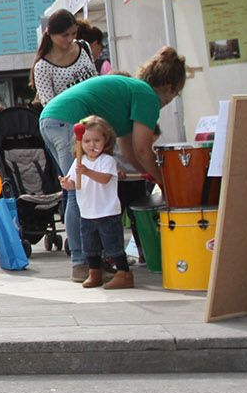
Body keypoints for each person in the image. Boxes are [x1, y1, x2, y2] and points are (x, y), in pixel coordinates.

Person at [40, 46, 187, 280]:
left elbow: (130, 153)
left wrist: (147, 174)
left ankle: (90, 262)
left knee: (75, 189)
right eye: (175, 95)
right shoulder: (147, 96)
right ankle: (82, 263)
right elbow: (143, 150)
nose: (170, 101)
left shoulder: (133, 92)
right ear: (170, 88)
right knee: (79, 189)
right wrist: (165, 182)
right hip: (68, 120)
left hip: (52, 118)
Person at [59, 116, 133, 291]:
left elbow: (105, 179)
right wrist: (66, 183)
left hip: (107, 212)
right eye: (87, 141)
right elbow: (72, 183)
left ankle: (124, 273)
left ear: (106, 141)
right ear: (80, 142)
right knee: (89, 246)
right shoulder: (79, 162)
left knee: (113, 246)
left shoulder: (107, 161)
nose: (92, 145)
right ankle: (94, 272)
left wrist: (87, 172)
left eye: (97, 140)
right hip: (87, 212)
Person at [32, 10, 101, 106]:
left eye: (74, 33)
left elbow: (95, 78)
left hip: (95, 109)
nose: (70, 39)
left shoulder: (83, 46)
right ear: (51, 34)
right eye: (65, 35)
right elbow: (49, 106)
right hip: (70, 116)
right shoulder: (42, 67)